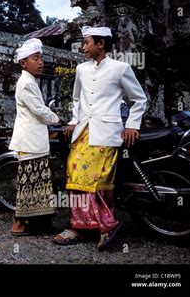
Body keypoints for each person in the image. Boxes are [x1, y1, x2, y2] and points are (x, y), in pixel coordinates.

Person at [52, 26, 147, 250]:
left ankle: (107, 225)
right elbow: (77, 100)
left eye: (87, 42)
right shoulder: (81, 70)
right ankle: (79, 226)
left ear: (101, 43)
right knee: (74, 176)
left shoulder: (120, 68)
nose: (83, 47)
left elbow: (139, 98)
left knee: (96, 180)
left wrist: (132, 125)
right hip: (83, 131)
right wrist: (74, 121)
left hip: (106, 133)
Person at [8, 38, 60, 236]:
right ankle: (19, 224)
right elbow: (39, 110)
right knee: (30, 183)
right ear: (23, 62)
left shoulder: (29, 81)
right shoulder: (26, 83)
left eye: (41, 58)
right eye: (36, 58)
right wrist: (55, 118)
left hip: (34, 141)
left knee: (37, 183)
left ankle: (38, 224)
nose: (41, 62)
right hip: (30, 141)